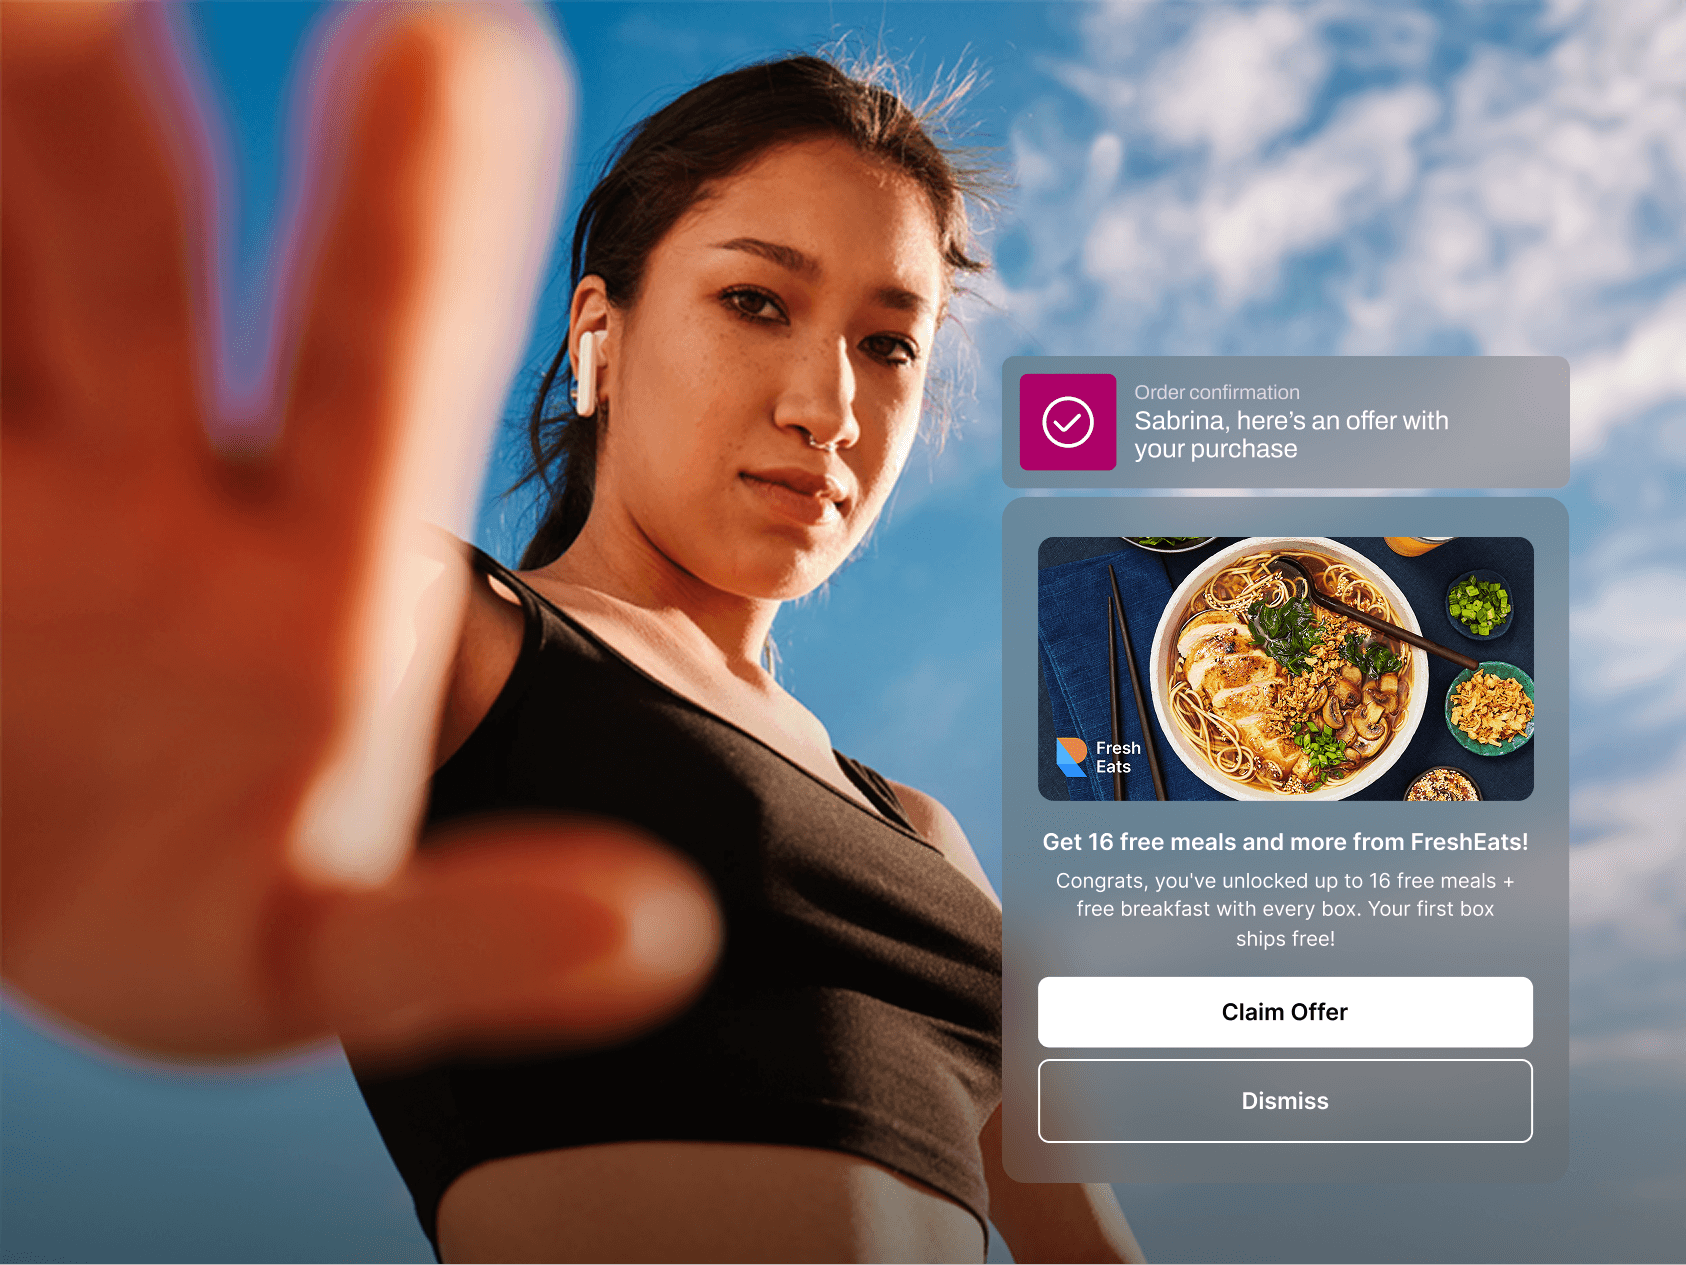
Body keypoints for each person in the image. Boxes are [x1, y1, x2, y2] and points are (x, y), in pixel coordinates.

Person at [3, 7, 1140, 1262]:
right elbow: (224, 669)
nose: (831, 407)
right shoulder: (462, 635)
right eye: (756, 299)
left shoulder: (927, 838)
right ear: (601, 333)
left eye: (888, 345)